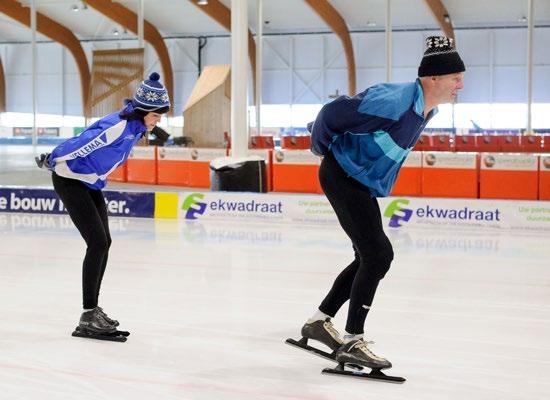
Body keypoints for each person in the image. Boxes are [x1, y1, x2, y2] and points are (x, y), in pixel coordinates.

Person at [300, 36, 465, 369]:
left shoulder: (425, 109)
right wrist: (320, 148)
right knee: (378, 255)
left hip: (359, 181)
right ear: (434, 78)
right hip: (343, 175)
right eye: (456, 78)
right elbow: (331, 113)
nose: (461, 85)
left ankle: (319, 322)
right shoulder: (395, 100)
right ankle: (351, 341)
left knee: (369, 256)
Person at [36, 72, 170, 338]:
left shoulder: (137, 127)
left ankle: (92, 311)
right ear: (144, 111)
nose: (158, 121)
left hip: (90, 183)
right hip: (70, 179)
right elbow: (82, 142)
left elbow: (147, 126)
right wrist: (52, 158)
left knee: (104, 242)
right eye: (156, 115)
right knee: (97, 242)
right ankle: (88, 315)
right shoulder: (118, 126)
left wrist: (156, 128)